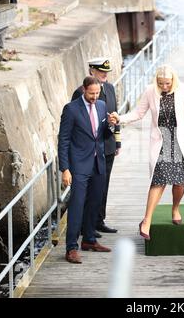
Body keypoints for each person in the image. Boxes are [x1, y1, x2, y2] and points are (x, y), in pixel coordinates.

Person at [109, 64, 184, 239]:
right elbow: (138, 112)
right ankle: (146, 221)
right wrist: (120, 118)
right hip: (161, 141)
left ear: (173, 80)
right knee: (158, 180)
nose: (164, 87)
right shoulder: (150, 90)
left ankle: (175, 209)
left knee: (179, 181)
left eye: (167, 83)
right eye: (161, 83)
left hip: (181, 141)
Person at [58, 76, 111, 264]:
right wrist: (65, 168)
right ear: (84, 89)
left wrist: (111, 125)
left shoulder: (102, 106)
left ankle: (89, 240)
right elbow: (63, 140)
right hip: (79, 165)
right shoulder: (71, 109)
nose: (94, 97)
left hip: (98, 163)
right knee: (77, 205)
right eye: (91, 93)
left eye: (97, 93)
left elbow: (102, 134)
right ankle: (71, 247)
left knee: (94, 203)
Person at [71, 57, 120, 237]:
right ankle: (86, 224)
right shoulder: (80, 93)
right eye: (101, 72)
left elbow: (115, 114)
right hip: (90, 150)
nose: (104, 75)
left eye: (106, 73)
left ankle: (99, 220)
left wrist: (118, 141)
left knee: (103, 186)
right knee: (89, 189)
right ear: (92, 71)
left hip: (107, 146)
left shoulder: (110, 88)